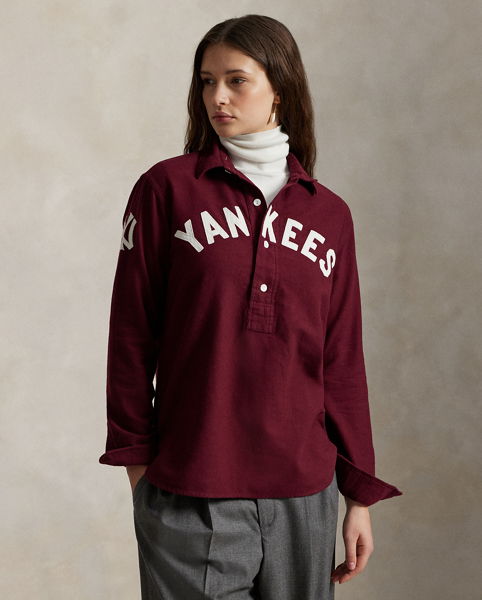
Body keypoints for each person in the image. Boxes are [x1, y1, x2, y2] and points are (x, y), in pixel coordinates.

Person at [99, 13, 403, 600]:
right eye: (206, 81)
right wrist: (139, 469)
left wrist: (358, 496)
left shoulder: (329, 215)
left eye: (236, 80)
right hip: (191, 487)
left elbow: (341, 361)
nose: (217, 97)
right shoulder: (166, 189)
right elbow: (131, 336)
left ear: (279, 89)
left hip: (305, 494)